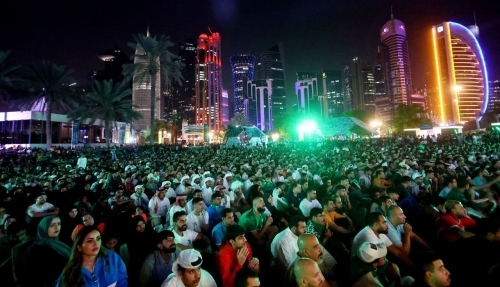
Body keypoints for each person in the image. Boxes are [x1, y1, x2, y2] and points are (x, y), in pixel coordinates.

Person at [56, 226, 128, 287]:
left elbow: (122, 282)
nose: (96, 243)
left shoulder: (112, 258)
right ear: (79, 247)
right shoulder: (70, 272)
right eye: (90, 241)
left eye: (98, 239)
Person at [19, 215, 71, 286]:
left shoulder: (59, 242)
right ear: (44, 227)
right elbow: (39, 275)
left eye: (59, 224)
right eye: (52, 225)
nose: (57, 227)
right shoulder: (38, 249)